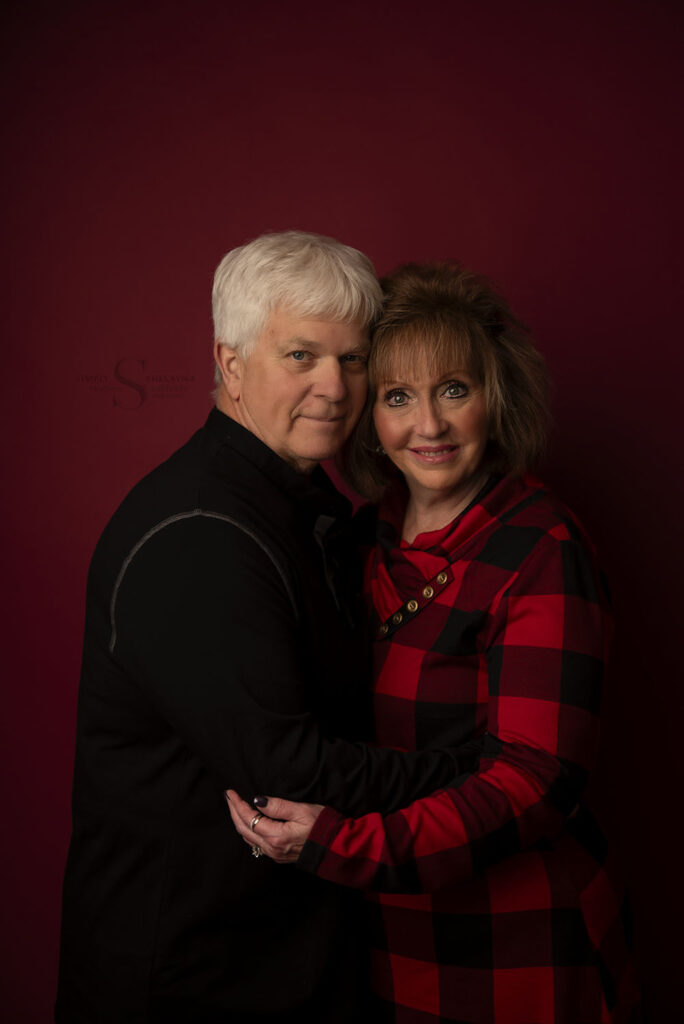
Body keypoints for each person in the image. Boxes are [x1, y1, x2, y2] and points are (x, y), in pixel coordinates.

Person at [55, 235, 479, 1024]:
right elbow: (288, 770)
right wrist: (482, 774)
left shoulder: (307, 509)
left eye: (354, 360)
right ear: (230, 361)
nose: (334, 387)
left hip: (287, 954)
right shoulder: (198, 533)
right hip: (190, 979)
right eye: (300, 355)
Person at [227, 262, 642, 1023]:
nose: (430, 425)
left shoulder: (542, 547)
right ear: (369, 418)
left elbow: (535, 782)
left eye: (454, 389)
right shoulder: (363, 541)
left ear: (495, 397)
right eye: (398, 397)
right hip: (388, 938)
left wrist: (347, 845)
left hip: (517, 946)